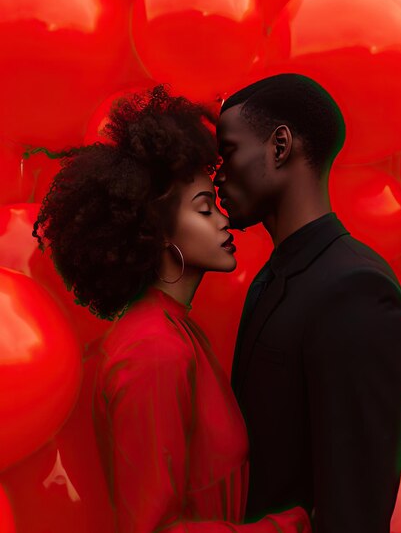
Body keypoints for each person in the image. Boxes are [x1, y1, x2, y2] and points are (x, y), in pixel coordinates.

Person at [33, 86, 311, 533]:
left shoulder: (176, 331)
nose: (223, 219)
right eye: (204, 209)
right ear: (158, 234)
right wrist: (291, 527)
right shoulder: (153, 351)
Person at [214, 72, 401, 533]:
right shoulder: (271, 277)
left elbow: (354, 512)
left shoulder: (358, 289)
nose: (219, 177)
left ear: (280, 146)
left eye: (228, 153)